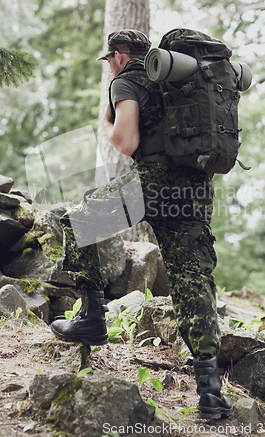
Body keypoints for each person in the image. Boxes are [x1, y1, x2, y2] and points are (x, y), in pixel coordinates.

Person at [50, 29, 233, 419]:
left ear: (118, 55)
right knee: (191, 277)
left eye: (110, 59)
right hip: (195, 188)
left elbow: (127, 140)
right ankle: (211, 393)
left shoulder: (127, 80)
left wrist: (109, 123)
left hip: (152, 184)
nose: (110, 65)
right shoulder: (175, 81)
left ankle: (92, 319)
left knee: (79, 220)